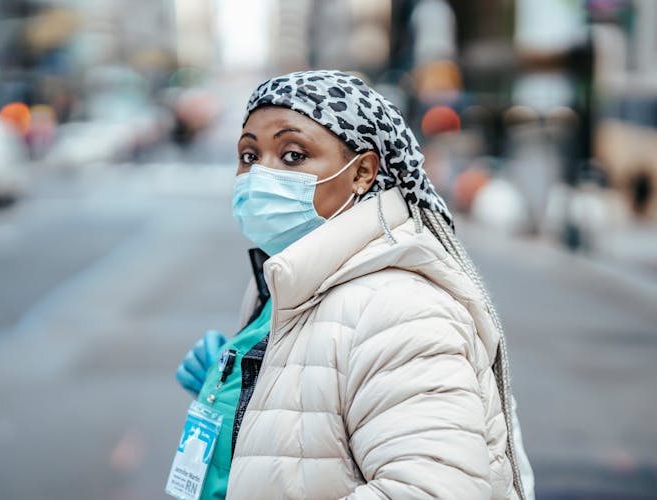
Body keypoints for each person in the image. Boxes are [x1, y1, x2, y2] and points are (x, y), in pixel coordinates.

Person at [174, 70, 534, 499]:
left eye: (292, 155)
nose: (259, 174)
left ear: (362, 172)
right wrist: (236, 393)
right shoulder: (282, 285)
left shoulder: (400, 310)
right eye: (249, 156)